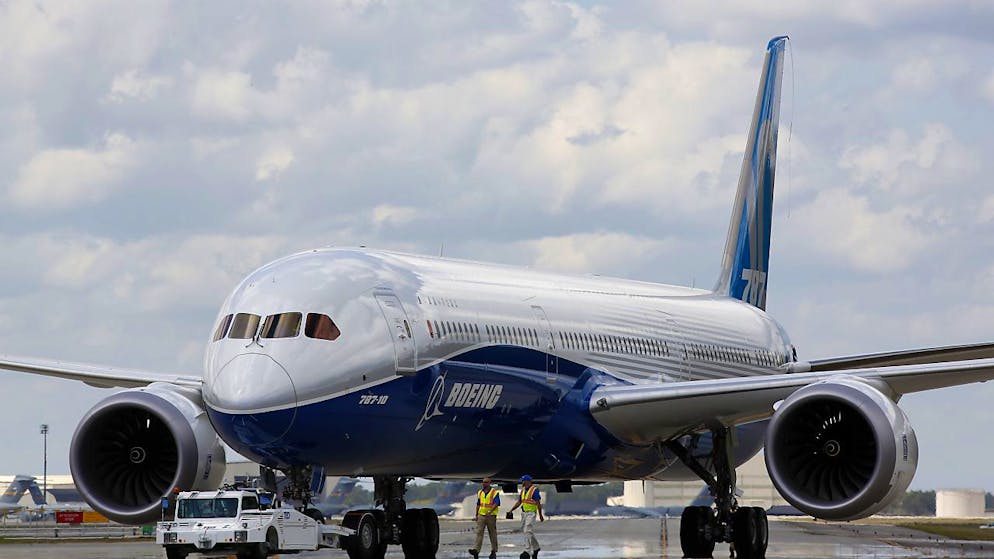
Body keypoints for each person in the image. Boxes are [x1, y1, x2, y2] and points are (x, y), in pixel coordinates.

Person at [507, 475, 543, 559]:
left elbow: (538, 503)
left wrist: (540, 515)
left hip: (531, 513)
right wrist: (511, 510)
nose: (522, 482)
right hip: (524, 514)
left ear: (528, 481)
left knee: (527, 530)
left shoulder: (534, 490)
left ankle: (527, 551)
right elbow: (519, 502)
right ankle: (536, 547)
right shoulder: (523, 490)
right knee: (528, 532)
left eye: (523, 481)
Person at [469, 477, 501, 559]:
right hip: (481, 515)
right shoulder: (480, 492)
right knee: (479, 532)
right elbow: (478, 504)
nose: (484, 484)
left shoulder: (494, 492)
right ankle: (476, 550)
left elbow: (496, 503)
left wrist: (490, 511)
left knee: (492, 534)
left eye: (486, 482)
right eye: (483, 482)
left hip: (491, 516)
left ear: (490, 483)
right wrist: (476, 515)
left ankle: (493, 551)